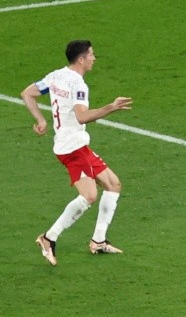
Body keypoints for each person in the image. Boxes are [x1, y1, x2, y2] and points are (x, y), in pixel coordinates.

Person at [22, 40, 133, 266]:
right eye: (91, 55)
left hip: (76, 144)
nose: (94, 58)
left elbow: (28, 93)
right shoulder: (78, 85)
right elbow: (82, 116)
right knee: (89, 196)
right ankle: (48, 238)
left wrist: (41, 120)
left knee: (112, 184)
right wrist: (111, 107)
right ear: (81, 59)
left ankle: (99, 241)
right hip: (72, 148)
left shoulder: (56, 76)